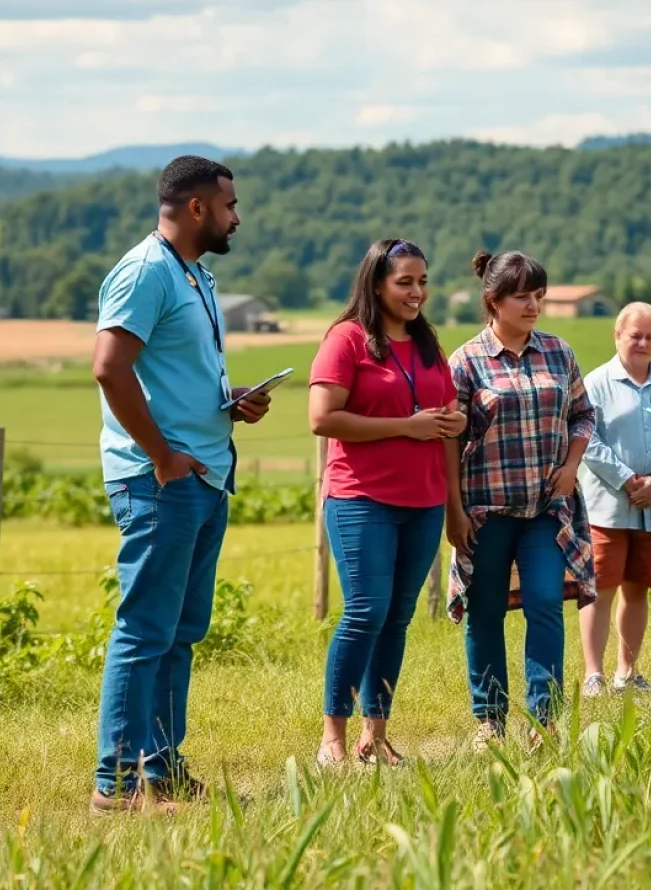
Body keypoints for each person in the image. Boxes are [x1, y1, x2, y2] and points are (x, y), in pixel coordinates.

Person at [90, 156, 273, 814]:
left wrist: (233, 400)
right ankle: (117, 782)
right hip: (160, 480)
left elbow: (175, 374)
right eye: (229, 205)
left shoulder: (195, 274)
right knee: (145, 629)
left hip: (204, 474)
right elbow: (110, 369)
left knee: (179, 632)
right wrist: (163, 456)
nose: (237, 216)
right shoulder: (144, 272)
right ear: (197, 208)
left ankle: (160, 770)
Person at [308, 238, 465, 767]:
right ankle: (333, 736)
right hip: (361, 498)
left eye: (423, 281)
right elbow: (322, 418)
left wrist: (454, 502)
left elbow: (444, 423)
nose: (417, 291)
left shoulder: (427, 344)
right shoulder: (346, 339)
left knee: (396, 618)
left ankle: (374, 736)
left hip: (423, 501)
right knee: (365, 612)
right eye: (405, 282)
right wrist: (408, 426)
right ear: (377, 283)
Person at [445, 251, 597, 753]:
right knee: (485, 611)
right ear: (493, 301)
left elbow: (582, 415)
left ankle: (545, 720)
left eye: (538, 295)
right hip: (485, 510)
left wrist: (572, 466)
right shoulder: (466, 361)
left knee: (546, 604)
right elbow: (447, 438)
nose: (534, 305)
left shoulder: (559, 352)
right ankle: (490, 720)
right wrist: (454, 510)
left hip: (545, 510)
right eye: (522, 296)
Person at [577, 302, 651, 697]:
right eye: (635, 335)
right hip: (607, 506)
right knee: (599, 589)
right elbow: (587, 441)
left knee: (638, 589)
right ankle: (594, 674)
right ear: (617, 335)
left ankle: (627, 673)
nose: (643, 342)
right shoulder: (596, 384)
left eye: (650, 336)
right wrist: (626, 479)